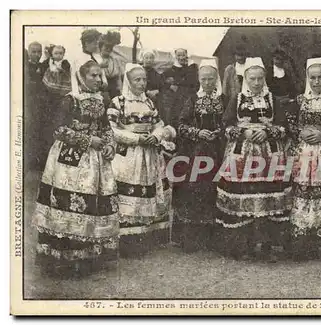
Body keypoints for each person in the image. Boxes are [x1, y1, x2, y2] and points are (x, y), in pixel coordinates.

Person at [31, 60, 119, 277]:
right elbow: (59, 130)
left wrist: (109, 145)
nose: (99, 80)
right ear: (81, 77)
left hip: (95, 161)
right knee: (70, 204)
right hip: (69, 160)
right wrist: (89, 140)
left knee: (91, 204)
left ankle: (87, 257)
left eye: (100, 76)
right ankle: (63, 260)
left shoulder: (100, 100)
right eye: (94, 76)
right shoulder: (71, 100)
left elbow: (106, 128)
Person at [215, 57, 291, 262]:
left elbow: (284, 127)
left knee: (267, 199)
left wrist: (269, 132)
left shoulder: (272, 99)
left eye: (259, 78)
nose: (256, 83)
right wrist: (244, 133)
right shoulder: (237, 99)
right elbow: (226, 126)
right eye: (252, 79)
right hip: (242, 155)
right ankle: (243, 246)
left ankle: (267, 246)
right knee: (244, 198)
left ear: (264, 78)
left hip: (269, 155)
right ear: (245, 78)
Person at [107, 63, 176, 258]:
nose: (142, 83)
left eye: (144, 79)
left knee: (149, 190)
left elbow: (159, 124)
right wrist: (136, 138)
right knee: (129, 192)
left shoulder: (149, 103)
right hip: (129, 155)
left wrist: (156, 135)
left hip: (149, 153)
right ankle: (127, 240)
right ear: (128, 81)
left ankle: (146, 237)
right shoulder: (118, 102)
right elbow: (111, 128)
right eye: (137, 79)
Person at [286, 57, 321, 260]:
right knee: (302, 190)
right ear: (308, 78)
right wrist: (300, 133)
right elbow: (290, 122)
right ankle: (301, 242)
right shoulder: (300, 101)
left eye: (320, 77)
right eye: (313, 78)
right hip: (304, 152)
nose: (317, 82)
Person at [173, 59, 228, 252]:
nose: (207, 83)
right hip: (196, 153)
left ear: (217, 79)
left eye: (211, 79)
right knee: (196, 191)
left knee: (217, 189)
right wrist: (198, 133)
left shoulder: (224, 99)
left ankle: (215, 238)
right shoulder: (193, 100)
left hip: (219, 150)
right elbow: (181, 125)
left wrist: (219, 132)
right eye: (204, 79)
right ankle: (193, 239)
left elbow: (230, 122)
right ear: (199, 80)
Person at [25, 41, 48, 171]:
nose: (36, 54)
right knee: (30, 132)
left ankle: (39, 161)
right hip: (29, 104)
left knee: (41, 131)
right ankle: (30, 161)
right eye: (33, 51)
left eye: (39, 52)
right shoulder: (25, 67)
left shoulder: (43, 67)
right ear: (28, 52)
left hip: (41, 105)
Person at [99, 30, 123, 99]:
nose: (109, 49)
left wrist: (120, 91)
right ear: (101, 46)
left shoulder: (115, 60)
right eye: (106, 46)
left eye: (111, 47)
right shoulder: (96, 59)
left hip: (114, 90)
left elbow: (118, 78)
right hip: (101, 90)